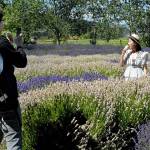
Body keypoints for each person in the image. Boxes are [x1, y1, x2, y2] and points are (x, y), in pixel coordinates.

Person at [0, 7, 27, 150]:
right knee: (13, 137)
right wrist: (19, 45)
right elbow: (21, 62)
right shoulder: (2, 42)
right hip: (5, 101)